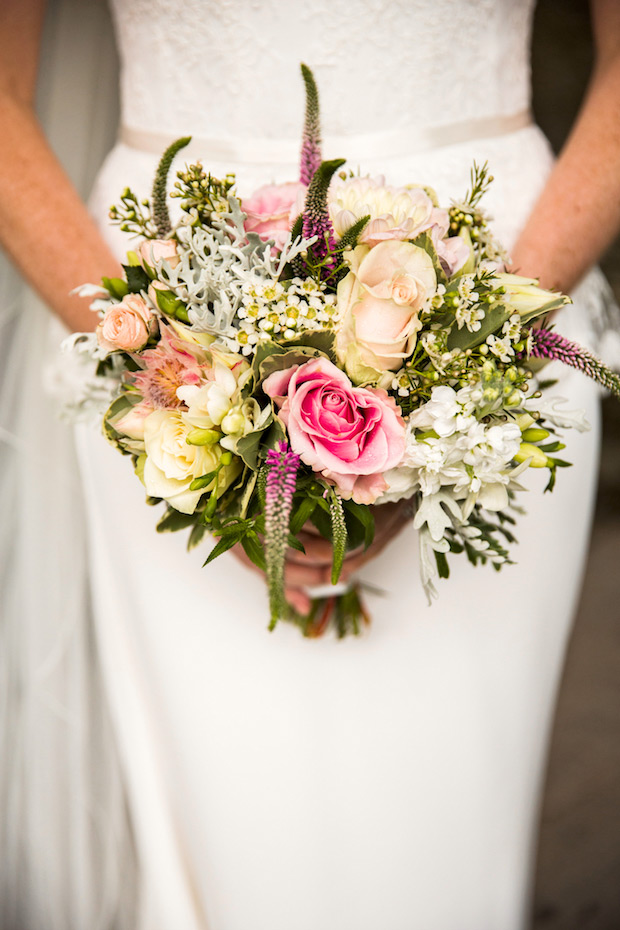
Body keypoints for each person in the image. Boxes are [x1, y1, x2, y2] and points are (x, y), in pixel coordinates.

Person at [1, 1, 619, 928]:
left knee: (445, 805)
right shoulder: (160, 363)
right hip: (160, 300)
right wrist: (169, 373)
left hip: (518, 283)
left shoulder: (502, 332)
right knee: (236, 796)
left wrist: (477, 368)